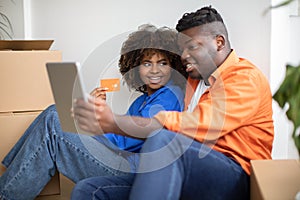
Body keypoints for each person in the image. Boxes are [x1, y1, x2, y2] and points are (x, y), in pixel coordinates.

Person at [72, 6, 274, 200]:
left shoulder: (244, 79)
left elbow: (196, 124)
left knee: (164, 139)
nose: (184, 55)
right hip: (186, 168)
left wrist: (115, 123)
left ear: (219, 42)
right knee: (90, 189)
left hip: (236, 176)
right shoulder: (193, 81)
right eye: (182, 49)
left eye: (192, 46)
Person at [0, 24, 187, 200]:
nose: (155, 70)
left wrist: (95, 122)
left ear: (173, 66)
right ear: (136, 67)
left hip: (131, 170)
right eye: (147, 64)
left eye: (163, 63)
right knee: (54, 113)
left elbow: (127, 140)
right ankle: (11, 179)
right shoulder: (141, 100)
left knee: (54, 119)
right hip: (122, 160)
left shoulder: (170, 95)